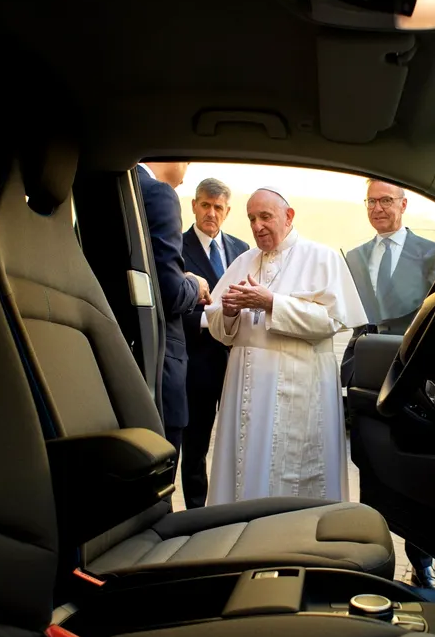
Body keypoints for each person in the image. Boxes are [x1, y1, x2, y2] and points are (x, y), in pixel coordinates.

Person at [205, 187, 367, 505]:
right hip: (243, 390)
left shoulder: (321, 257)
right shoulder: (244, 261)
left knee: (291, 475)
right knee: (243, 470)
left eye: (265, 217)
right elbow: (218, 325)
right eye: (251, 218)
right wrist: (229, 312)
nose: (257, 226)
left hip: (299, 387)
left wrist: (272, 303)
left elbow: (331, 320)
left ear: (289, 216)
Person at [340, 179, 435, 589]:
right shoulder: (353, 257)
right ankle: (373, 560)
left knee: (418, 471)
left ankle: (422, 563)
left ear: (404, 204)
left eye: (386, 200)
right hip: (369, 372)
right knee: (371, 466)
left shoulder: (432, 253)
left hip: (414, 375)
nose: (378, 208)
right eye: (371, 201)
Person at [180, 178, 250, 509]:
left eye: (218, 207)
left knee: (238, 440)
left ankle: (234, 507)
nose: (211, 213)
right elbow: (170, 308)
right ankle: (196, 512)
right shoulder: (176, 248)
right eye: (205, 205)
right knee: (195, 444)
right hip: (198, 361)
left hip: (237, 360)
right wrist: (210, 320)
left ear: (227, 211)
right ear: (194, 205)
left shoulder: (242, 249)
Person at [137, 160, 211, 460]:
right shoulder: (159, 194)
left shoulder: (112, 192)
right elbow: (171, 294)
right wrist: (194, 283)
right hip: (158, 370)